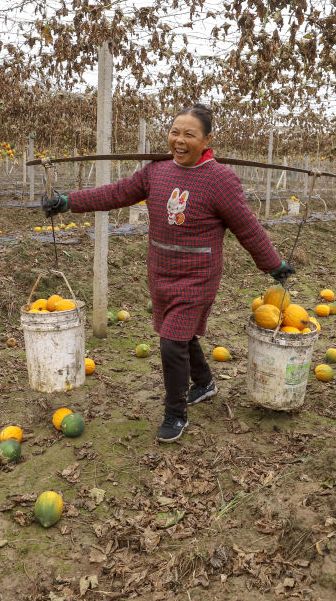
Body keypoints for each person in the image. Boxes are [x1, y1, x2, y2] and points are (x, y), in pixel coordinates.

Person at [41, 104, 294, 443]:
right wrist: (69, 201)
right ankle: (204, 383)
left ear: (206, 140)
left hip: (197, 276)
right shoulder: (156, 171)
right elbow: (116, 193)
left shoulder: (220, 179)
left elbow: (247, 227)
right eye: (175, 131)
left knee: (172, 341)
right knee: (182, 335)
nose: (179, 139)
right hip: (160, 271)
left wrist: (272, 264)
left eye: (189, 134)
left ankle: (175, 413)